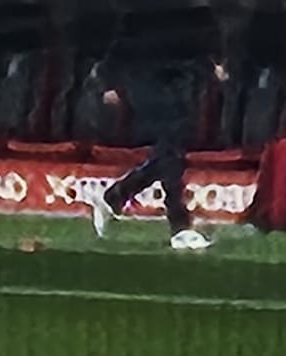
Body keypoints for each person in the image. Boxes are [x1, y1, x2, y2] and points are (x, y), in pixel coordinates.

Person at [90, 52, 231, 254]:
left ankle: (115, 197)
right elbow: (123, 45)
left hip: (176, 85)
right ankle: (179, 227)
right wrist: (108, 82)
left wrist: (209, 67)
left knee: (168, 156)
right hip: (149, 84)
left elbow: (192, 44)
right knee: (171, 154)